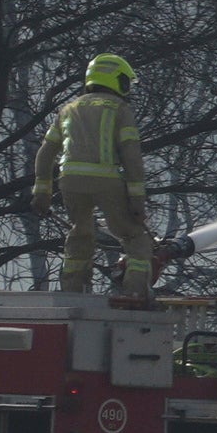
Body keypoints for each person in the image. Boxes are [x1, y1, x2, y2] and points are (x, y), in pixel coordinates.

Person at [47, 52, 159, 303]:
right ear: (115, 79)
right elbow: (131, 157)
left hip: (70, 182)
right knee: (134, 237)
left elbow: (46, 153)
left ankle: (72, 293)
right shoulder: (119, 109)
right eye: (125, 81)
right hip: (106, 181)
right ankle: (134, 294)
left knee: (80, 234)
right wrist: (137, 203)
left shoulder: (69, 109)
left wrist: (42, 190)